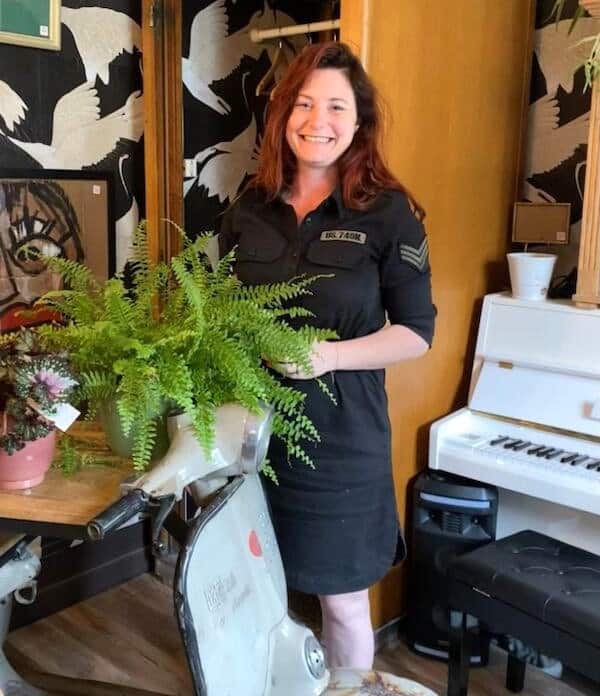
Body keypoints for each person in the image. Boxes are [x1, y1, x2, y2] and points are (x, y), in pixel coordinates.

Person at [218, 41, 435, 671]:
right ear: (284, 115)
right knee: (254, 591)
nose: (318, 120)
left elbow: (417, 333)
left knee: (342, 604)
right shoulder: (249, 209)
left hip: (342, 444)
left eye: (336, 106)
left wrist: (329, 356)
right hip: (251, 438)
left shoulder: (389, 214)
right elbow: (221, 315)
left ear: (359, 121)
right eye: (304, 104)